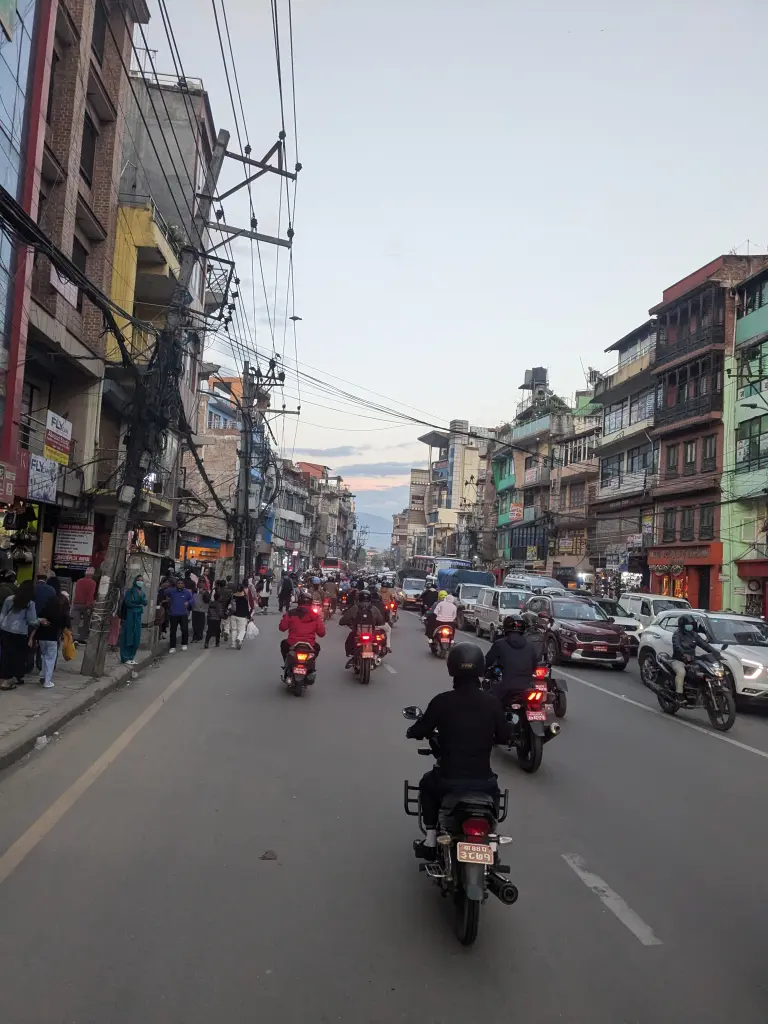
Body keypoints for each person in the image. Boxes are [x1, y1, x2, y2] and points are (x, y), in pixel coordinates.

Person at [406, 642, 512, 860]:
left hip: (448, 780)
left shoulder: (442, 701)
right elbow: (505, 736)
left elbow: (420, 729)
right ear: (481, 668)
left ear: (451, 668)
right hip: (484, 781)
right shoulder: (492, 703)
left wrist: (413, 731)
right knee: (495, 792)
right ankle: (491, 843)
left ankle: (431, 838)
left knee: (427, 784)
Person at [485, 616, 539, 703]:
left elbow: (488, 661)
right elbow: (534, 666)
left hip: (504, 688)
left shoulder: (499, 644)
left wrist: (483, 670)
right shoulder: (530, 646)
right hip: (527, 687)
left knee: (488, 702)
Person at [0, 580, 39, 690]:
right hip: (20, 633)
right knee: (17, 657)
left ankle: (2, 680)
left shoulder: (9, 599)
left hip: (5, 630)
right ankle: (8, 681)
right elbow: (32, 621)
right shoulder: (30, 604)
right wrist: (39, 621)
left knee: (5, 655)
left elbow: (2, 614)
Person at [671, 614, 719, 697]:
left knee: (704, 672)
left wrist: (716, 653)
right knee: (681, 672)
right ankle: (678, 694)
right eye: (688, 625)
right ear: (682, 625)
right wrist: (683, 654)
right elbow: (677, 646)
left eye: (691, 625)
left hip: (692, 660)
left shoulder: (694, 635)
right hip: (679, 660)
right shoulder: (677, 635)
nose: (690, 627)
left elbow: (704, 645)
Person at [35, 577, 71, 687]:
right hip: (53, 636)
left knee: (43, 655)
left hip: (41, 635)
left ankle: (42, 675)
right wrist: (66, 629)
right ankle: (47, 681)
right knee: (50, 658)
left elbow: (40, 616)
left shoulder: (46, 603)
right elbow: (65, 618)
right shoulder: (61, 601)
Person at [278, 590, 326, 666]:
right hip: (310, 644)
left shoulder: (291, 613)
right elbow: (322, 633)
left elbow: (282, 627)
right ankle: (310, 665)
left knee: (283, 644)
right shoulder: (315, 616)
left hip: (292, 643)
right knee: (317, 648)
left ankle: (287, 664)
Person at [339, 590, 384, 666]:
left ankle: (352, 656)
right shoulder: (374, 609)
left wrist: (346, 623)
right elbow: (381, 621)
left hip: (357, 634)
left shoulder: (355, 608)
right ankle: (376, 656)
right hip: (371, 635)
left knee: (349, 641)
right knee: (378, 640)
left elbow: (343, 620)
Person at [120, 575, 147, 665]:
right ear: (135, 581)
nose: (140, 582)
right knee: (129, 636)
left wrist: (141, 602)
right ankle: (125, 657)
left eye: (142, 580)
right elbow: (128, 603)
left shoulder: (142, 592)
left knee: (136, 637)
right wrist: (138, 605)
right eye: (139, 580)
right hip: (130, 615)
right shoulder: (130, 591)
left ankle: (132, 657)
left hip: (138, 616)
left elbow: (145, 602)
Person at [162, 578, 194, 653]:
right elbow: (163, 592)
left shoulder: (187, 592)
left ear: (184, 584)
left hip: (183, 614)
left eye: (181, 583)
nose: (180, 584)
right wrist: (164, 586)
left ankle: (184, 644)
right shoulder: (172, 590)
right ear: (176, 584)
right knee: (173, 631)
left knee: (184, 629)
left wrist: (188, 603)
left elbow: (192, 600)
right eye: (178, 583)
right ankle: (172, 646)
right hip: (173, 614)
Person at [71, 567, 96, 644]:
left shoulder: (79, 581)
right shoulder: (93, 583)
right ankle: (81, 638)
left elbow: (76, 592)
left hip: (76, 603)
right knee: (86, 622)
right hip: (85, 605)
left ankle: (75, 638)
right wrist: (89, 606)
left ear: (85, 573)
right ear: (92, 574)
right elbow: (90, 595)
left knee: (75, 622)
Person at [229, 581, 251, 650]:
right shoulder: (244, 598)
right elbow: (247, 609)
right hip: (242, 616)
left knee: (234, 629)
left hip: (233, 615)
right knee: (242, 630)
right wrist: (249, 617)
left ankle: (233, 644)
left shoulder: (233, 597)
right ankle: (239, 639)